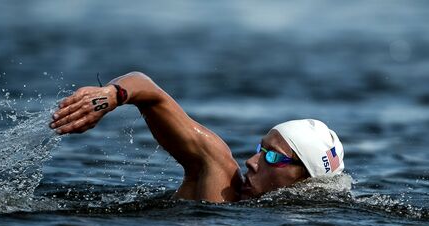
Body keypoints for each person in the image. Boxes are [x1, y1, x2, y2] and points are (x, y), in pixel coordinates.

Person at [49, 72, 344, 203]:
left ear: (305, 182)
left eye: (271, 156)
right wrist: (112, 96)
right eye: (260, 149)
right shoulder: (220, 176)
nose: (251, 162)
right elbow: (149, 90)